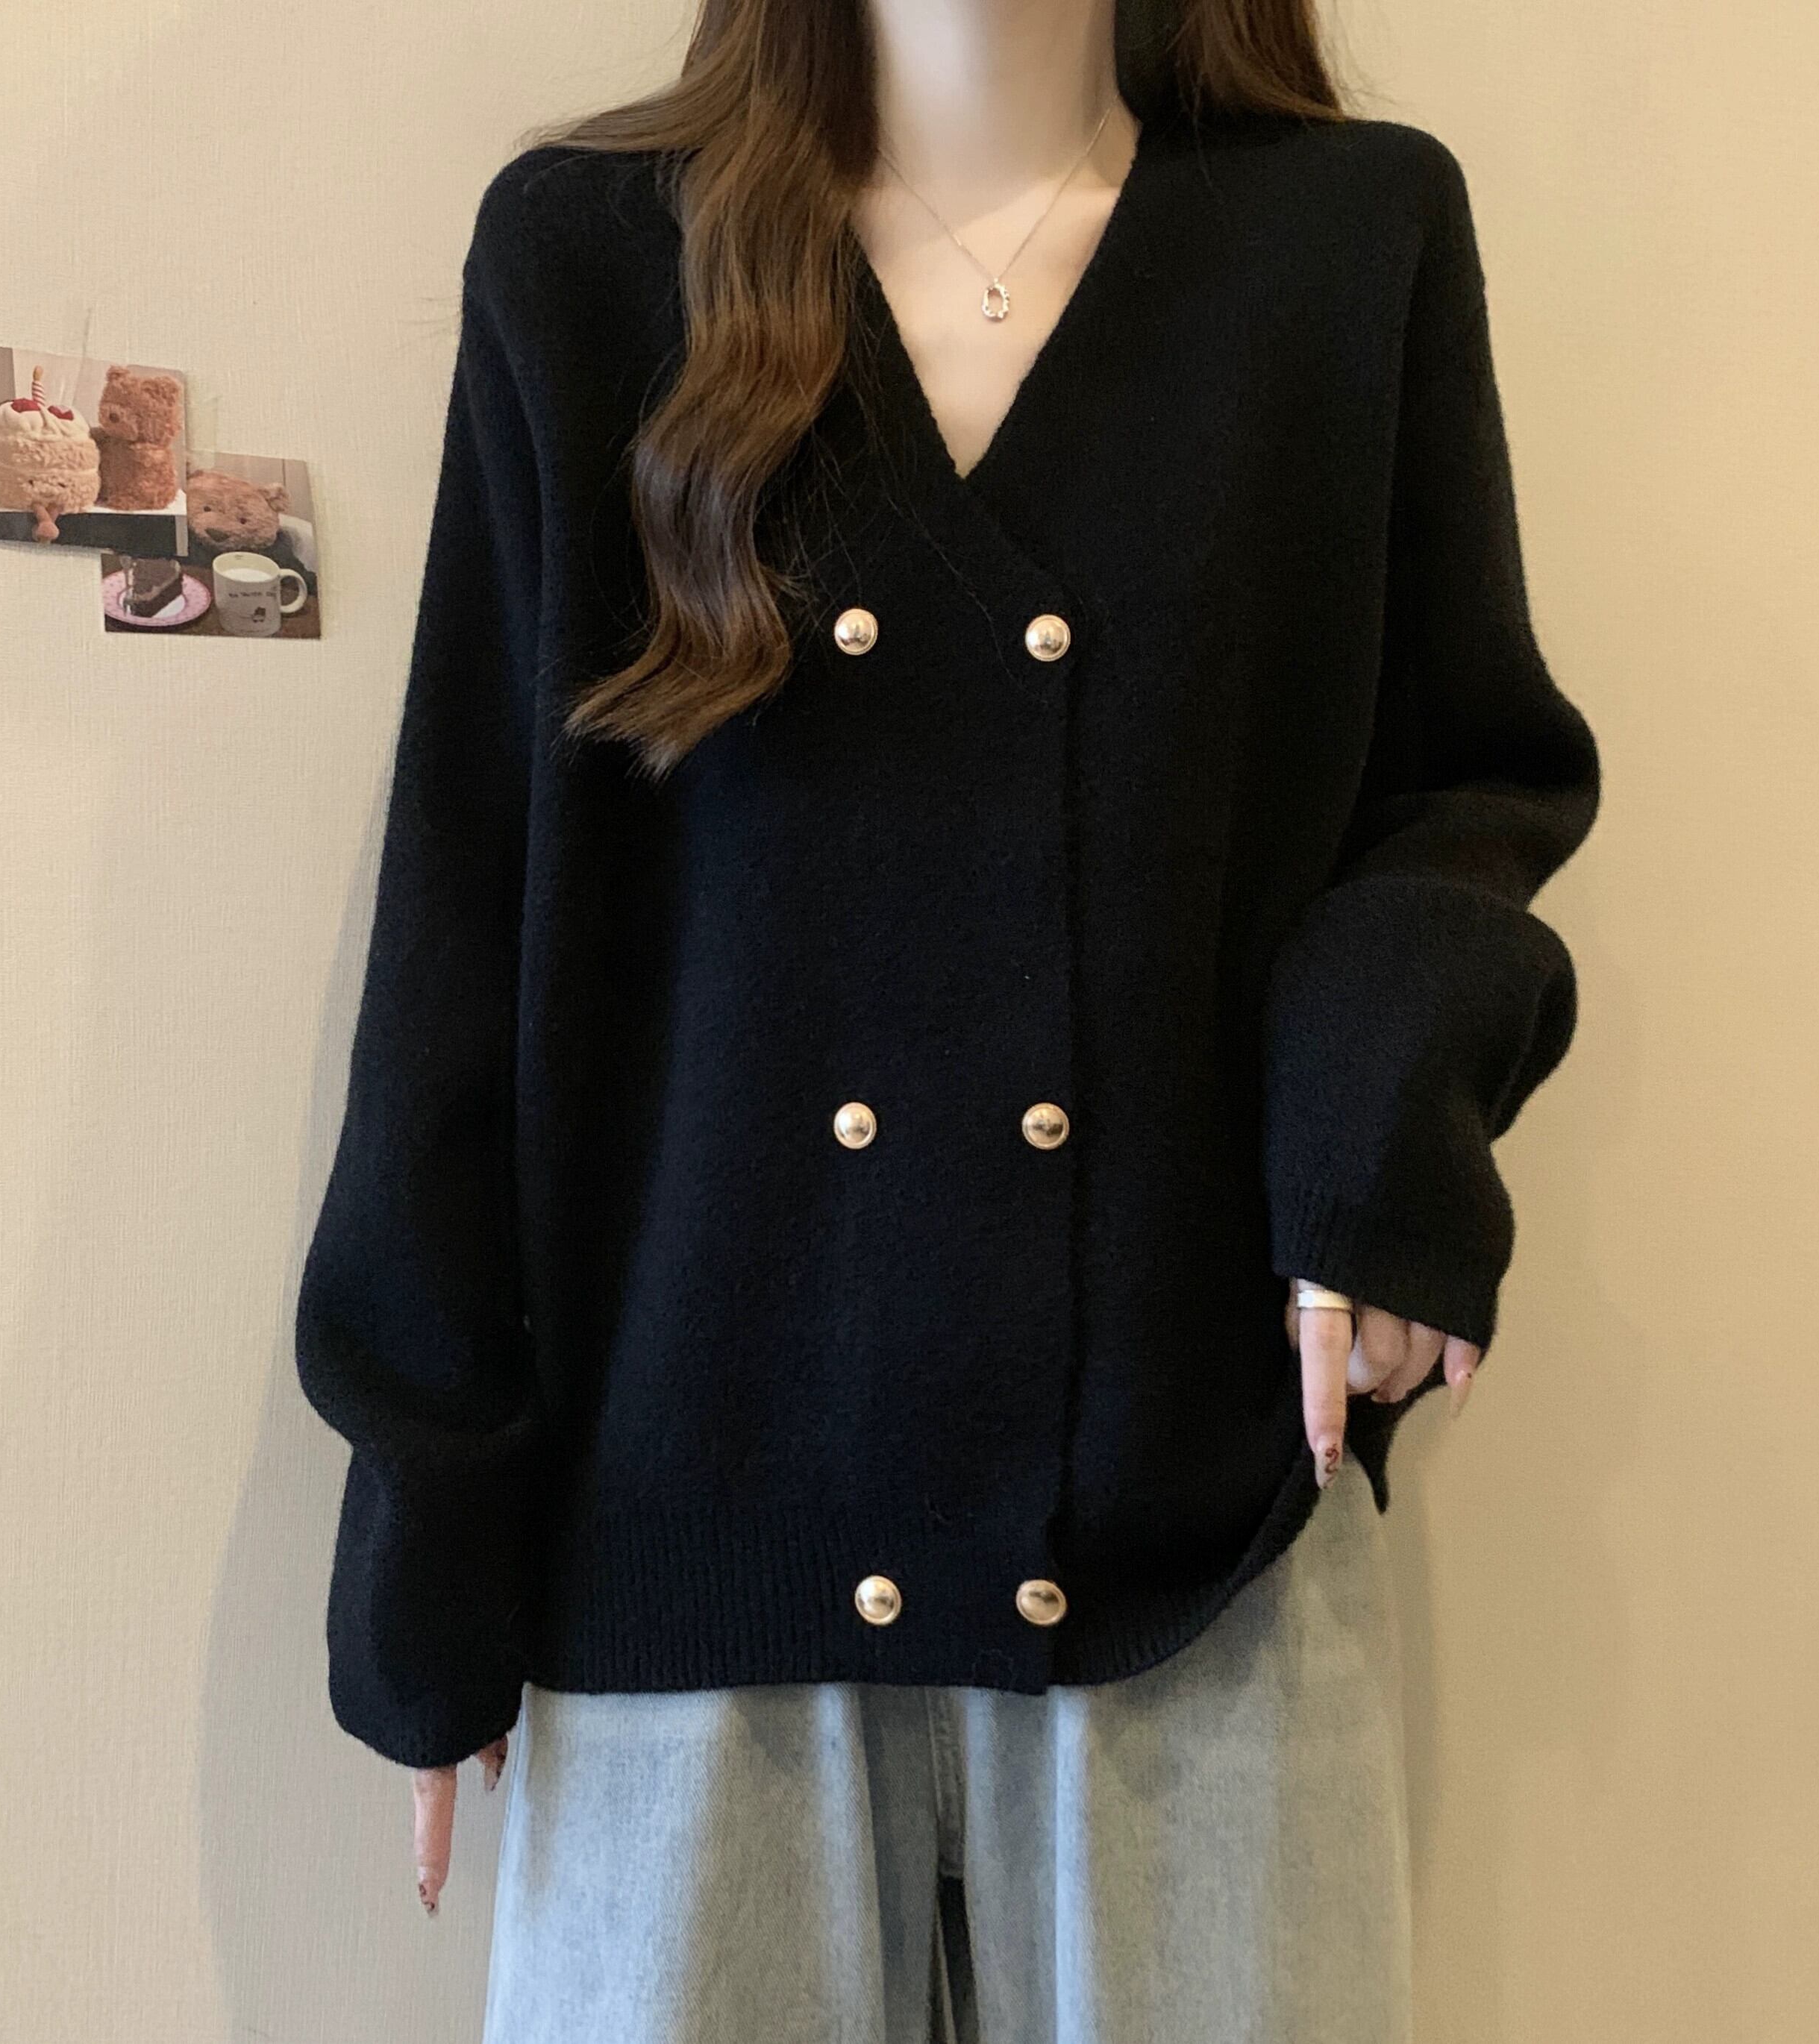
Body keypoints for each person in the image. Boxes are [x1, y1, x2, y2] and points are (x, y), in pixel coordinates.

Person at [294, 0, 1602, 2036]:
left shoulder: (1349, 241)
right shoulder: (588, 258)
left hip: (1197, 1539)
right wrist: (430, 1516)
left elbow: (1467, 787)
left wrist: (1380, 1117)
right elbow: (473, 900)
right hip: (690, 1539)